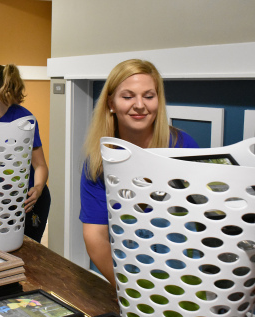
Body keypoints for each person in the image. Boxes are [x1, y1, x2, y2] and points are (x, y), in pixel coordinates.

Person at [79, 59, 199, 287]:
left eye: (149, 96)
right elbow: (95, 236)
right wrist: (129, 291)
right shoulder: (97, 163)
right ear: (111, 104)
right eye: (128, 96)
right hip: (127, 274)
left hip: (182, 278)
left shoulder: (183, 146)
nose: (140, 105)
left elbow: (209, 220)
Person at [0, 64, 51, 243]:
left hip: (28, 201)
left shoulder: (23, 120)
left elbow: (40, 165)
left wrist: (38, 188)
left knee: (28, 255)